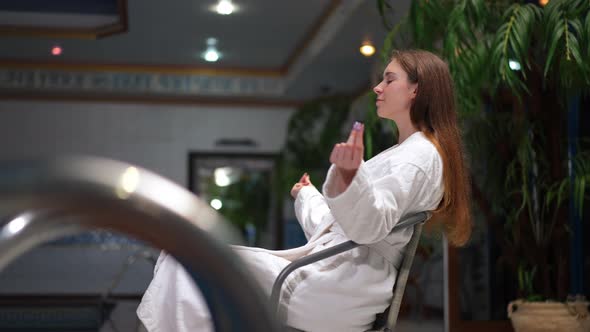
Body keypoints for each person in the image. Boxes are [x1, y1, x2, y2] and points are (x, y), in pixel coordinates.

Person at [136, 49, 472, 332]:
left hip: (340, 287)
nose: (377, 88)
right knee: (186, 260)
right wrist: (309, 196)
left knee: (188, 263)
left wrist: (352, 175)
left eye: (389, 79)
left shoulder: (418, 156)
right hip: (337, 276)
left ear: (417, 89)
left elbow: (368, 227)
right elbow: (346, 229)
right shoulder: (408, 153)